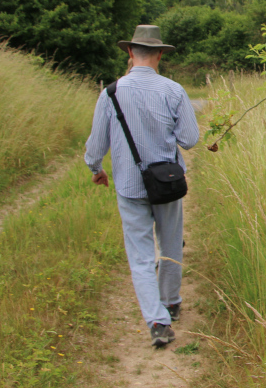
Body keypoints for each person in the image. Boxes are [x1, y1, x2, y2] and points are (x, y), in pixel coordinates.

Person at [84, 25, 200, 347]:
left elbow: (96, 145)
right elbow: (190, 139)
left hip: (129, 186)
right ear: (160, 54)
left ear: (130, 53)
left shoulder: (110, 93)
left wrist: (96, 168)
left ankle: (158, 322)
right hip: (167, 185)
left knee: (140, 255)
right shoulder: (174, 91)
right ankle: (172, 302)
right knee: (171, 245)